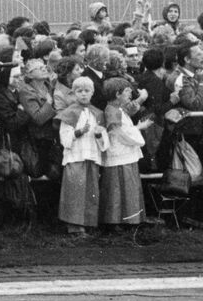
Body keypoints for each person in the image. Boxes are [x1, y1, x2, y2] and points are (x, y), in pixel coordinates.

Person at [57, 77, 107, 235]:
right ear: (74, 93)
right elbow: (64, 137)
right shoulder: (70, 112)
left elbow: (104, 142)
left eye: (87, 91)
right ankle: (73, 225)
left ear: (92, 92)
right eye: (79, 91)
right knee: (75, 190)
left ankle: (87, 223)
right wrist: (79, 132)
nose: (83, 94)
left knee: (90, 189)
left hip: (91, 156)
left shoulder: (97, 113)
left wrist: (99, 135)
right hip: (76, 156)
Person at [100, 78, 149, 229]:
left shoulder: (117, 109)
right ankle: (116, 222)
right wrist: (139, 128)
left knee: (126, 187)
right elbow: (120, 134)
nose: (130, 95)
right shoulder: (112, 112)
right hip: (119, 154)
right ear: (117, 94)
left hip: (125, 154)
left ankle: (127, 220)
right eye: (127, 92)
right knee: (119, 188)